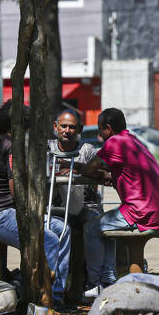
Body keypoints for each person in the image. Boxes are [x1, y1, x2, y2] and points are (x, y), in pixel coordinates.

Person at [0, 101, 72, 309]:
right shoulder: (9, 145)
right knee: (50, 240)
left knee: (62, 228)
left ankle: (57, 292)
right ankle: (46, 302)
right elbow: (16, 189)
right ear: (19, 126)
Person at [81, 108, 159, 300]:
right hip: (156, 209)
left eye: (100, 130)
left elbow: (89, 168)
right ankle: (109, 279)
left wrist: (80, 169)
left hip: (139, 211)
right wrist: (109, 175)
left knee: (90, 228)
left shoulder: (114, 142)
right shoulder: (132, 140)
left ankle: (95, 283)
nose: (98, 135)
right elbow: (124, 171)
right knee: (106, 226)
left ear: (109, 129)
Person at [47, 110, 105, 298]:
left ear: (79, 129)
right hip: (54, 204)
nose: (67, 130)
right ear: (56, 127)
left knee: (88, 226)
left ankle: (83, 282)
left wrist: (74, 171)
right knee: (54, 229)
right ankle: (51, 285)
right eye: (63, 126)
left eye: (72, 127)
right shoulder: (47, 148)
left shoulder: (87, 149)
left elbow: (97, 178)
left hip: (86, 204)